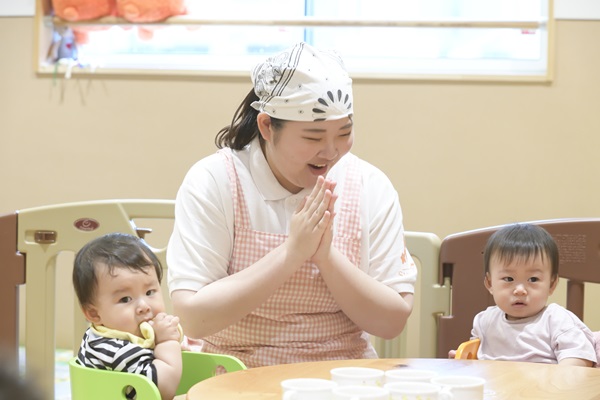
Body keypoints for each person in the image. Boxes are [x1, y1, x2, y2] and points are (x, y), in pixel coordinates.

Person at [167, 41, 417, 368]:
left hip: (342, 375)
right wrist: (292, 253)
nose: (331, 151)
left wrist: (326, 257)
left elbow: (392, 322)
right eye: (313, 137)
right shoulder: (216, 180)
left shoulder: (369, 185)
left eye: (344, 132)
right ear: (267, 126)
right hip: (234, 372)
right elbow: (194, 318)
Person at [456, 223, 596, 366]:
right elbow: (475, 359)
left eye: (533, 279)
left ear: (551, 285)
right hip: (496, 381)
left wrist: (562, 375)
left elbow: (579, 359)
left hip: (544, 381)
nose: (520, 290)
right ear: (490, 283)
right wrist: (463, 361)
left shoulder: (556, 320)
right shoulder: (484, 322)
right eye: (508, 279)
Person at [73, 233, 183, 399]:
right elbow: (164, 388)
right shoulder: (115, 350)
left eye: (149, 292)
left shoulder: (118, 334)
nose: (144, 306)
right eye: (125, 299)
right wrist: (167, 342)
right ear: (94, 314)